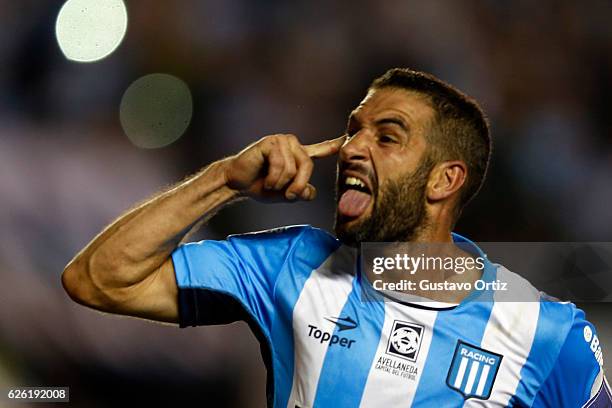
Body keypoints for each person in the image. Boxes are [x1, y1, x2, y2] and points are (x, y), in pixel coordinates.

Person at [62, 68, 610, 407]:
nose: (351, 148)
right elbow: (96, 280)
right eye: (352, 130)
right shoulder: (291, 265)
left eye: (386, 136)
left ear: (446, 179)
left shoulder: (546, 332)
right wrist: (223, 179)